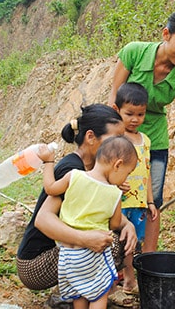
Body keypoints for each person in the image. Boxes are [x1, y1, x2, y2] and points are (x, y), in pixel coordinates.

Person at [108, 9, 175, 252]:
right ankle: (113, 258)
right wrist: (112, 139)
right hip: (121, 138)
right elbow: (113, 100)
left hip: (155, 142)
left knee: (152, 202)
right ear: (166, 34)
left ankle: (148, 264)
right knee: (114, 196)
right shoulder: (134, 52)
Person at [16, 104, 138, 294]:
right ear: (90, 137)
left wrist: (127, 224)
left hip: (61, 252)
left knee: (127, 240)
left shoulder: (92, 173)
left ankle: (82, 293)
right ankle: (87, 295)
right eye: (115, 139)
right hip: (34, 265)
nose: (119, 146)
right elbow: (43, 219)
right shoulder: (72, 171)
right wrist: (85, 239)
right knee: (111, 245)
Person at [38, 135, 138, 309]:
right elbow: (114, 225)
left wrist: (48, 162)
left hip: (67, 255)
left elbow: (50, 188)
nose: (125, 179)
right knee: (100, 293)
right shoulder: (114, 194)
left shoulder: (73, 176)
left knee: (80, 293)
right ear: (118, 165)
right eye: (127, 173)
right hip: (92, 254)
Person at [113, 82, 158, 295]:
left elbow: (147, 174)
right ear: (118, 110)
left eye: (140, 114)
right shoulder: (115, 140)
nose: (134, 119)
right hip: (119, 202)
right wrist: (114, 183)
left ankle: (129, 278)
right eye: (129, 114)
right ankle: (124, 278)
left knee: (134, 243)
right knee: (118, 242)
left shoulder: (145, 141)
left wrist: (150, 201)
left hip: (139, 203)